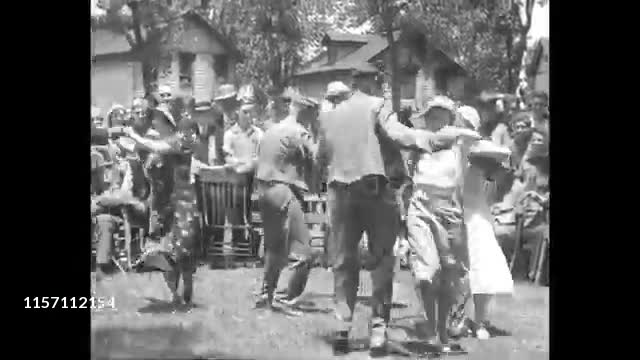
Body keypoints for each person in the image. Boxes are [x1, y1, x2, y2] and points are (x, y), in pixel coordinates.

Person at [317, 70, 475, 355]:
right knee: (382, 261)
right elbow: (398, 133)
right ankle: (378, 333)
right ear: (374, 84)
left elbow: (320, 154)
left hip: (338, 190)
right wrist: (436, 140)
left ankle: (342, 330)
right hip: (373, 189)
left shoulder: (330, 113)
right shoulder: (378, 105)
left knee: (343, 260)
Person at [404, 98, 481, 348]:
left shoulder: (461, 142)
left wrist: (450, 134)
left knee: (449, 274)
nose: (433, 120)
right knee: (428, 273)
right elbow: (407, 179)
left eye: (439, 115)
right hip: (421, 206)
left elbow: (473, 136)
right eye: (430, 115)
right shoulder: (419, 142)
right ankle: (430, 326)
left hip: (449, 211)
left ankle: (442, 331)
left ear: (449, 117)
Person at [123, 115, 201, 305]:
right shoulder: (164, 147)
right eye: (184, 131)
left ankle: (187, 286)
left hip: (184, 205)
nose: (187, 134)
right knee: (164, 252)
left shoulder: (185, 145)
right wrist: (133, 144)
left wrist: (133, 135)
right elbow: (146, 152)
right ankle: (175, 293)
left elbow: (156, 147)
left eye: (190, 130)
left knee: (185, 250)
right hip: (164, 205)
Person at [253, 89, 319, 312]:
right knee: (303, 253)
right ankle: (285, 300)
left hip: (263, 190)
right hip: (283, 189)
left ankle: (266, 296)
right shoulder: (299, 132)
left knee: (275, 249)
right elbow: (319, 156)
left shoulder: (271, 130)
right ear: (306, 113)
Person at [461, 140, 515, 340]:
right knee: (461, 272)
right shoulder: (452, 157)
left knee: (483, 268)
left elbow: (495, 187)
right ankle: (459, 319)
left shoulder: (482, 161)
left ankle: (480, 320)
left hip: (478, 218)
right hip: (458, 215)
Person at [222, 89, 264, 254]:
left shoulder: (259, 133)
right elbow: (228, 158)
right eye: (245, 112)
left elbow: (260, 157)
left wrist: (245, 165)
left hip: (254, 180)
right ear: (237, 113)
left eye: (251, 112)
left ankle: (253, 248)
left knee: (254, 215)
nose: (248, 116)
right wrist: (242, 165)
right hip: (236, 182)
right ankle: (239, 245)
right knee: (236, 212)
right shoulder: (230, 134)